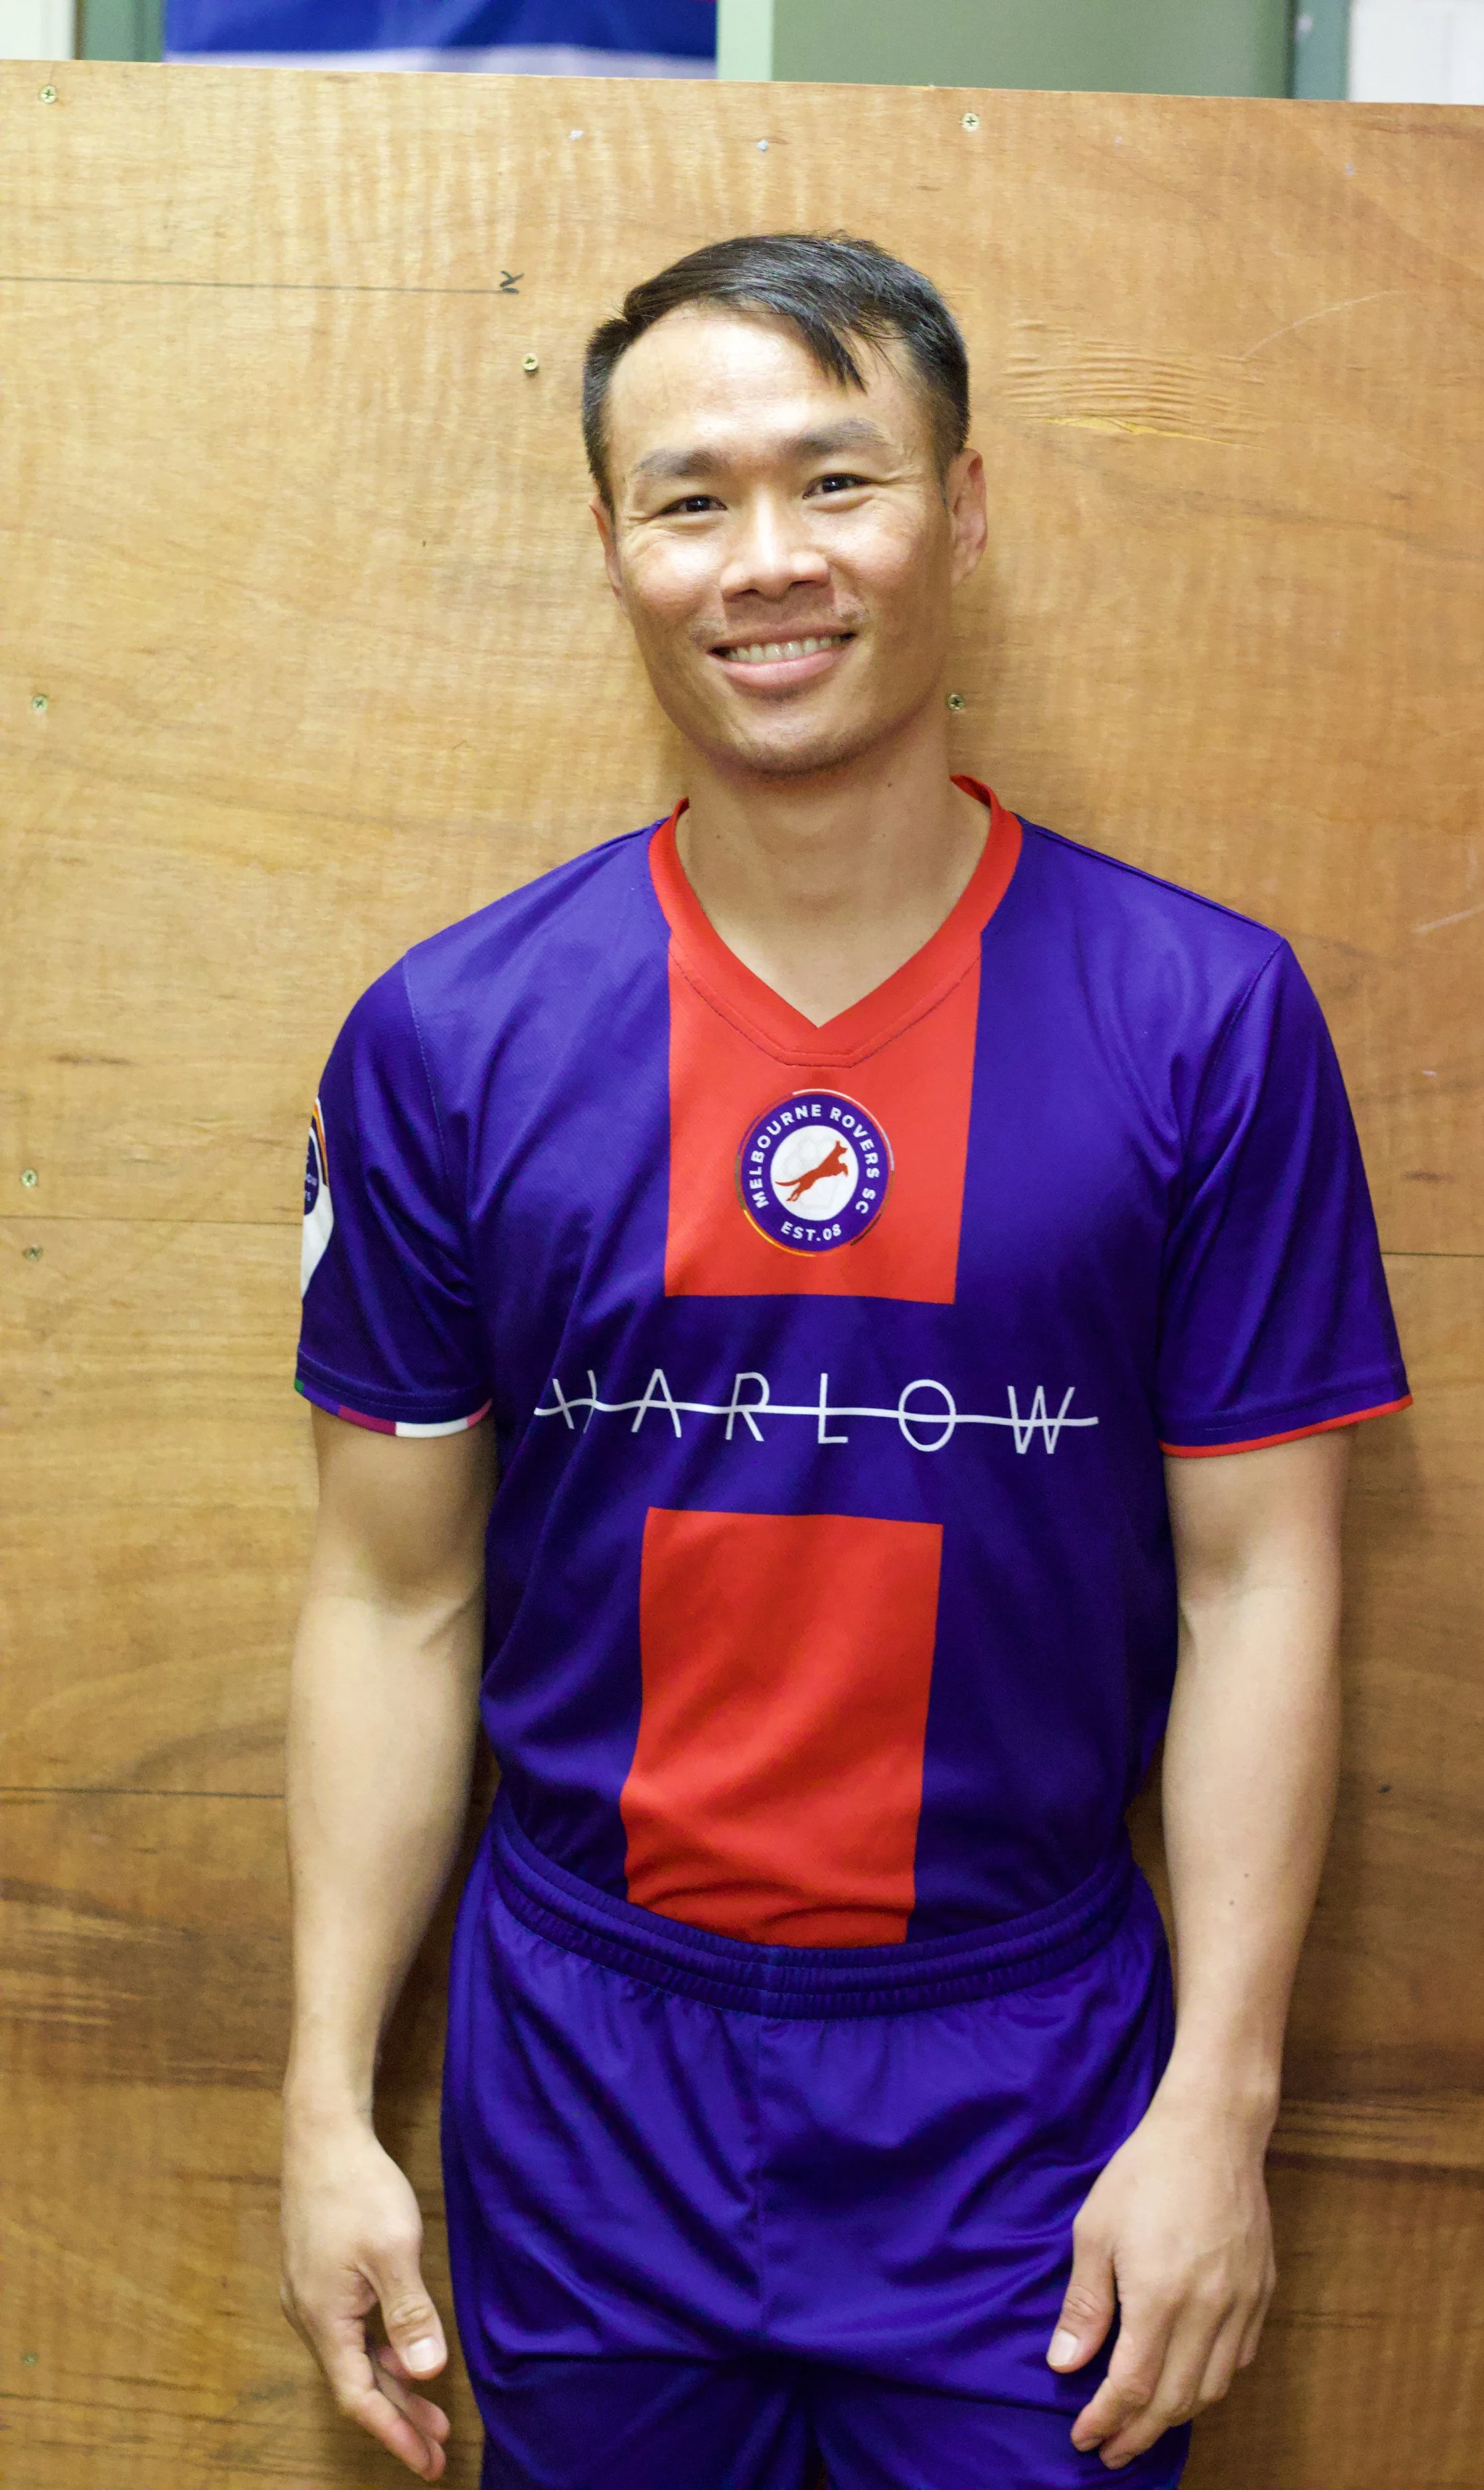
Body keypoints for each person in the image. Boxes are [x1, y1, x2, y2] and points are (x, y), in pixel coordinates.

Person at [279, 232, 1410, 2490]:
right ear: (613, 547)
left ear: (962, 510)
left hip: (1020, 2073)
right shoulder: (453, 1038)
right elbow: (393, 1591)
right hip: (584, 2059)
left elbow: (1262, 1583)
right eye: (688, 498)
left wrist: (1221, 2105)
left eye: (837, 478)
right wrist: (319, 2097)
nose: (766, 560)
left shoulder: (1201, 1018)